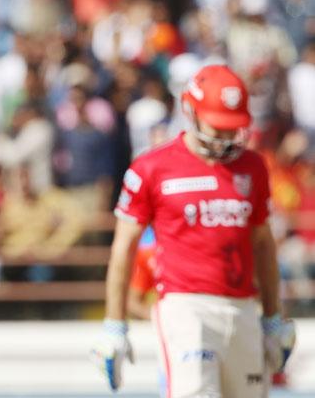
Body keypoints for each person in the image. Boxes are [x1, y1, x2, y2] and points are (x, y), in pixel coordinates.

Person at [92, 65, 295, 396]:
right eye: (218, 127)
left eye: (233, 128)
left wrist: (273, 317)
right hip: (185, 307)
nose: (226, 137)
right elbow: (123, 249)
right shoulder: (151, 168)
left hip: (243, 306)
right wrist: (114, 324)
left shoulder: (253, 167)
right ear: (190, 111)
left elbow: (263, 245)